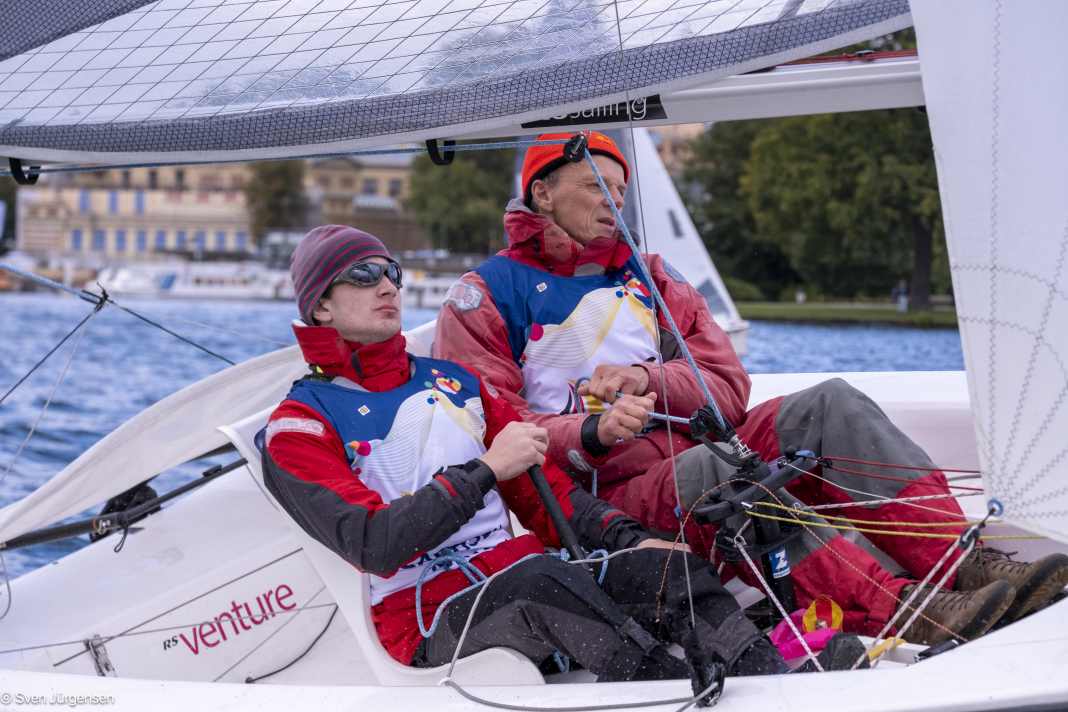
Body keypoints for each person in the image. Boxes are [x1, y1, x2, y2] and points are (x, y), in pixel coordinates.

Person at [433, 131, 1068, 645]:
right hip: (607, 499)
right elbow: (494, 432)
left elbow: (727, 388)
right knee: (726, 470)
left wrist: (648, 377)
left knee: (831, 403)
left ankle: (960, 562)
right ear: (541, 193)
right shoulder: (485, 295)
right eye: (597, 186)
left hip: (691, 461)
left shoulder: (651, 277)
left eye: (621, 190)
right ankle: (906, 610)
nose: (614, 203)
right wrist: (594, 429)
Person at [261, 226, 858, 698]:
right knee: (541, 582)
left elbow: (552, 496)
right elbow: (374, 544)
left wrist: (631, 539)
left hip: (528, 578)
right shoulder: (298, 426)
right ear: (321, 308)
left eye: (390, 270)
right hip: (423, 620)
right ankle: (670, 691)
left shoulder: (456, 381)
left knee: (668, 569)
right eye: (364, 276)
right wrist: (484, 472)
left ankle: (781, 685)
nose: (388, 285)